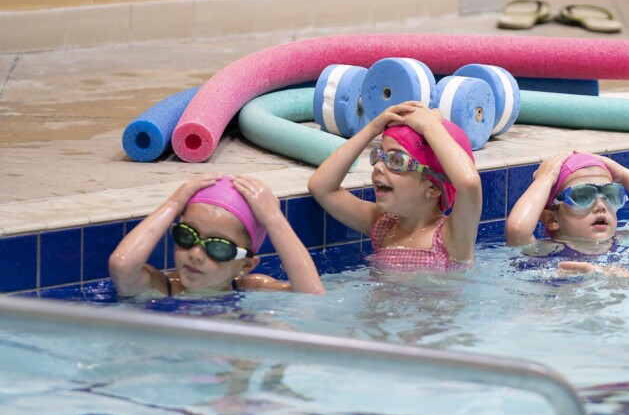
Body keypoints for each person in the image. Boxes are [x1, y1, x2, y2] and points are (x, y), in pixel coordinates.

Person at [308, 101, 482, 270]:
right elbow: (321, 187)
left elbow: (469, 183)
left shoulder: (450, 239)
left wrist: (430, 126)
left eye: (396, 161)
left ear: (433, 188)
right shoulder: (383, 226)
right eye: (379, 155)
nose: (377, 166)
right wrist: (372, 129)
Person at [109, 174, 324, 296]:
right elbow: (122, 266)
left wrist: (273, 219)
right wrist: (173, 204)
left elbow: (311, 297)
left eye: (217, 247)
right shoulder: (161, 287)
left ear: (246, 265)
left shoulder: (252, 288)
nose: (195, 254)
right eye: (187, 236)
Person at [504, 151, 629, 260]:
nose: (601, 205)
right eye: (583, 196)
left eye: (610, 194)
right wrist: (546, 178)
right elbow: (517, 230)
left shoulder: (620, 239)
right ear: (552, 219)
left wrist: (623, 174)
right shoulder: (545, 250)